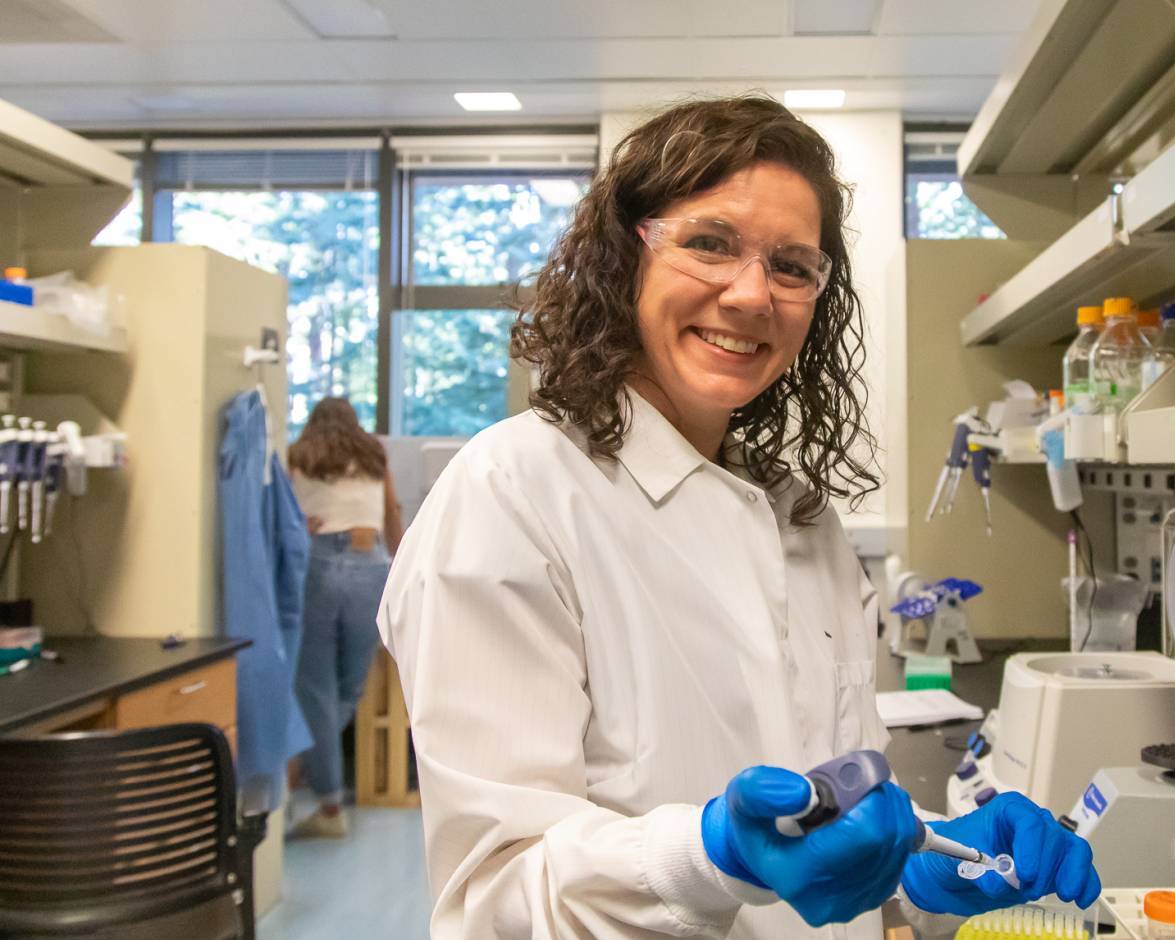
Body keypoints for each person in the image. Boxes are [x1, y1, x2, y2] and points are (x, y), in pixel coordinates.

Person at [378, 95, 1100, 938]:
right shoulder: (515, 494)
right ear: (627, 256)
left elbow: (828, 828)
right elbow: (493, 904)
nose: (753, 295)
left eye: (793, 266)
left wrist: (926, 867)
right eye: (709, 243)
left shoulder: (800, 518)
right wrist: (710, 858)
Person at [287, 397, 405, 838]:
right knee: (348, 687)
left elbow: (284, 517)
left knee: (313, 687)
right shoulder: (374, 455)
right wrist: (402, 566)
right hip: (369, 563)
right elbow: (392, 514)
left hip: (317, 563)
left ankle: (325, 800)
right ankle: (309, 776)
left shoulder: (298, 456)